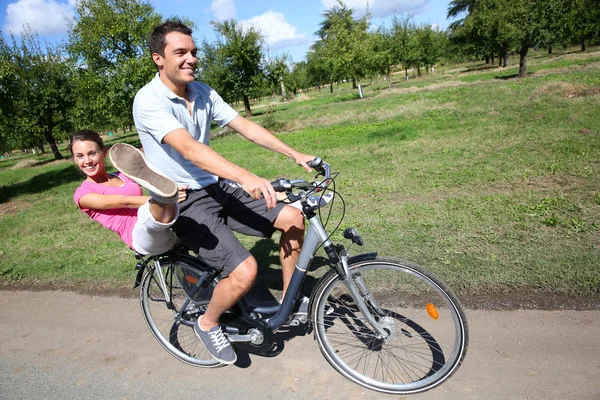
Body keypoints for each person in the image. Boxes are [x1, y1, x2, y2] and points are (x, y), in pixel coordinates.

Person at [133, 19, 314, 364]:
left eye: (194, 52)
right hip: (185, 200)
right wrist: (245, 175)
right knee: (245, 271)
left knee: (292, 218)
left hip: (215, 186)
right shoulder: (149, 100)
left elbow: (243, 125)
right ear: (159, 58)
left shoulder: (202, 91)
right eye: (180, 52)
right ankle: (208, 321)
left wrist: (294, 153)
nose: (191, 59)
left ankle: (289, 301)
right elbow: (188, 148)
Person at [71, 130, 187, 256]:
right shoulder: (82, 194)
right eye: (80, 156)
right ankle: (164, 199)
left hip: (165, 224)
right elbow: (125, 201)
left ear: (104, 152)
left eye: (92, 153)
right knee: (151, 214)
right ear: (75, 160)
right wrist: (163, 198)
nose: (87, 161)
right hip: (139, 235)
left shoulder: (125, 174)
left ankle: (166, 199)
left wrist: (179, 190)